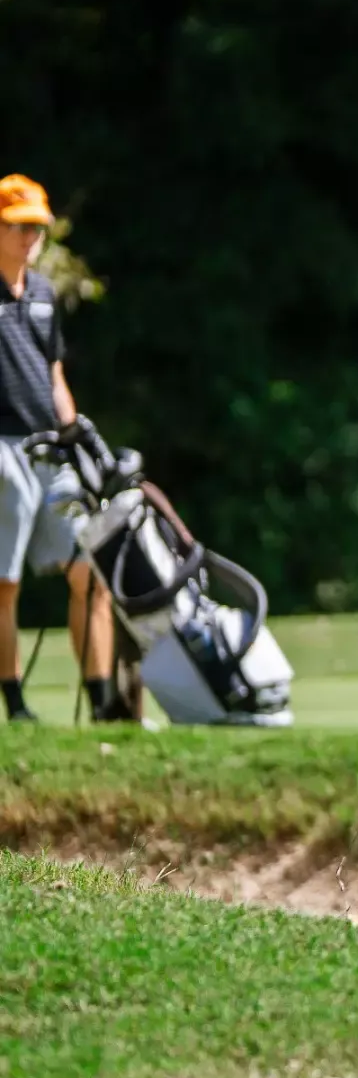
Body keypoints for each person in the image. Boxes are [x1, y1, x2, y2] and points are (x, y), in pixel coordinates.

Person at [0, 173, 118, 723]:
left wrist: (76, 434)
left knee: (88, 570)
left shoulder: (44, 293)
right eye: (19, 227)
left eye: (38, 229)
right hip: (0, 447)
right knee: (5, 582)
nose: (31, 239)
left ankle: (102, 701)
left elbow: (53, 377)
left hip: (49, 447)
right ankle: (15, 704)